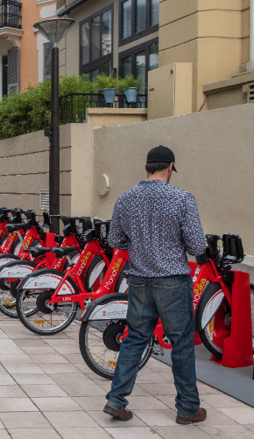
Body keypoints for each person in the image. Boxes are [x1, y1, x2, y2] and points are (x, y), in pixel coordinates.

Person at [104, 146, 208, 425]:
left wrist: (139, 246)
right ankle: (187, 408)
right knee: (182, 344)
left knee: (135, 338)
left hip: (138, 279)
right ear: (170, 166)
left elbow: (115, 240)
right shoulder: (182, 198)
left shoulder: (126, 198)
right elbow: (197, 245)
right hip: (172, 280)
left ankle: (116, 400)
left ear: (146, 166)